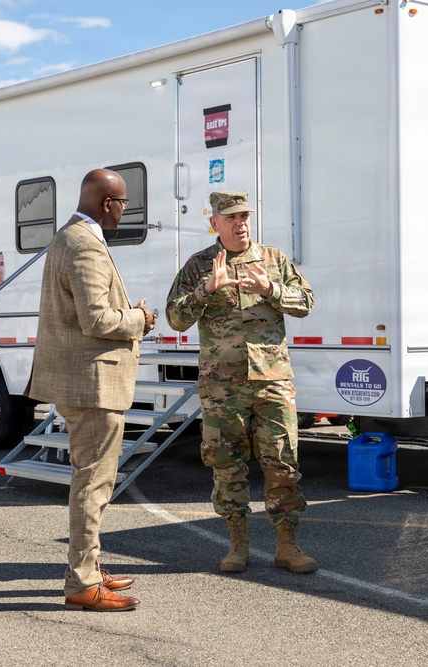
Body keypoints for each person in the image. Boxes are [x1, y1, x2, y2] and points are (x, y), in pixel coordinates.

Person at [165, 190, 317, 574]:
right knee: (227, 467)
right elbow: (175, 318)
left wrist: (271, 290)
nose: (241, 223)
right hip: (222, 389)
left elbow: (306, 303)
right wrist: (206, 290)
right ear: (214, 223)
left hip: (272, 382)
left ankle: (288, 548)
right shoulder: (199, 265)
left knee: (282, 463)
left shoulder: (273, 260)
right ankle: (237, 548)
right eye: (231, 217)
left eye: (245, 216)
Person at [26, 168, 156, 611]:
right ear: (106, 204)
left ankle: (89, 569)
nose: (124, 209)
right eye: (122, 202)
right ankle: (82, 581)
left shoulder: (69, 237)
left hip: (83, 381)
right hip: (93, 384)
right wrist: (140, 319)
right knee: (93, 484)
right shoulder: (84, 245)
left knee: (90, 480)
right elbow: (97, 319)